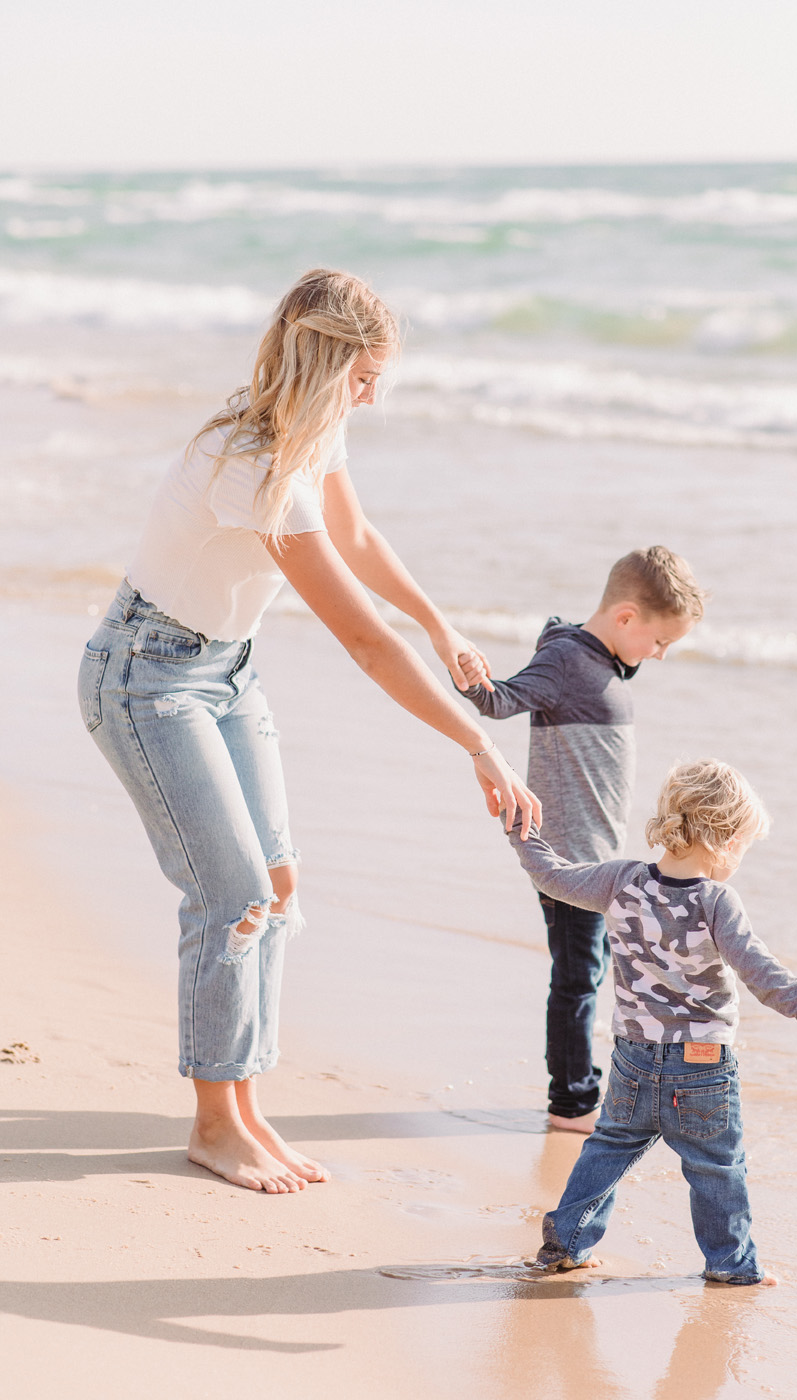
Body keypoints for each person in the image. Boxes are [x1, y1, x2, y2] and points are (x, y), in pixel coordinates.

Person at [77, 268, 539, 1196]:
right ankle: (215, 1125)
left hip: (226, 669)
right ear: (327, 365)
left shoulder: (309, 429)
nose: (375, 395)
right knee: (233, 893)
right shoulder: (252, 462)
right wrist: (478, 746)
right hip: (146, 678)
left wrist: (442, 623)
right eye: (364, 377)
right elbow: (365, 642)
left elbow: (359, 539)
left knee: (278, 885)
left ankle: (245, 1103)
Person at [502, 758, 797, 1283]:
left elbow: (552, 876)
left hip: (633, 1059)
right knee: (716, 1168)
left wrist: (520, 828)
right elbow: (756, 967)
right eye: (743, 847)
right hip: (703, 1068)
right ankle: (730, 1266)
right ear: (723, 839)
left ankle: (566, 1244)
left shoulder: (621, 880)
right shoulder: (716, 900)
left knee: (608, 1149)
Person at [458, 547, 704, 1131]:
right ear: (624, 619)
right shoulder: (568, 660)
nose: (660, 655)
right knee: (576, 979)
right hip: (569, 861)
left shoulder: (606, 662)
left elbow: (628, 633)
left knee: (590, 968)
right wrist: (467, 673)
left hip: (598, 857)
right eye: (660, 641)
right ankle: (571, 1101)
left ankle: (588, 1087)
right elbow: (499, 700)